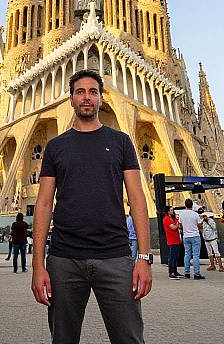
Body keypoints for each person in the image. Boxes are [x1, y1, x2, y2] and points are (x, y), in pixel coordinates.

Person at [31, 70, 152, 344]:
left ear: (100, 98)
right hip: (64, 260)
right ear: (71, 99)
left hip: (115, 256)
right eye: (80, 92)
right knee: (63, 339)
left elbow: (137, 200)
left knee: (129, 338)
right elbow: (43, 205)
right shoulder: (55, 147)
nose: (87, 97)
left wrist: (143, 258)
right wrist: (38, 266)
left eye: (93, 92)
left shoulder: (120, 141)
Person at [179, 199, 204, 280]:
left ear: (185, 205)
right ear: (192, 205)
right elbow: (199, 224)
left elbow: (180, 225)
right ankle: (197, 274)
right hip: (195, 235)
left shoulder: (181, 214)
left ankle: (186, 273)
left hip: (186, 236)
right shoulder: (195, 214)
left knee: (187, 254)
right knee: (196, 255)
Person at [163, 206, 182, 279]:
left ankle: (175, 271)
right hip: (172, 240)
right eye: (171, 210)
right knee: (172, 257)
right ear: (168, 211)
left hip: (176, 240)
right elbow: (173, 227)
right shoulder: (167, 219)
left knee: (176, 257)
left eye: (173, 210)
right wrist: (177, 221)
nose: (172, 211)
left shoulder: (171, 219)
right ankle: (171, 272)